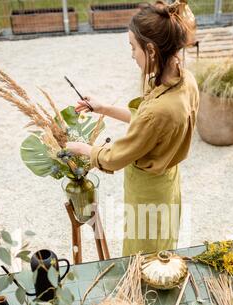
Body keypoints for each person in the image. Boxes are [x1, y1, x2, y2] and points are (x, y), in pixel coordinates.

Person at [66, 0, 199, 257]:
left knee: (144, 255)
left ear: (150, 50)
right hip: (168, 182)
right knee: (163, 245)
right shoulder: (185, 82)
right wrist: (102, 107)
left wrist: (82, 148)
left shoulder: (159, 109)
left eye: (133, 47)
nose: (131, 55)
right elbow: (149, 125)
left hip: (148, 194)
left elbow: (116, 157)